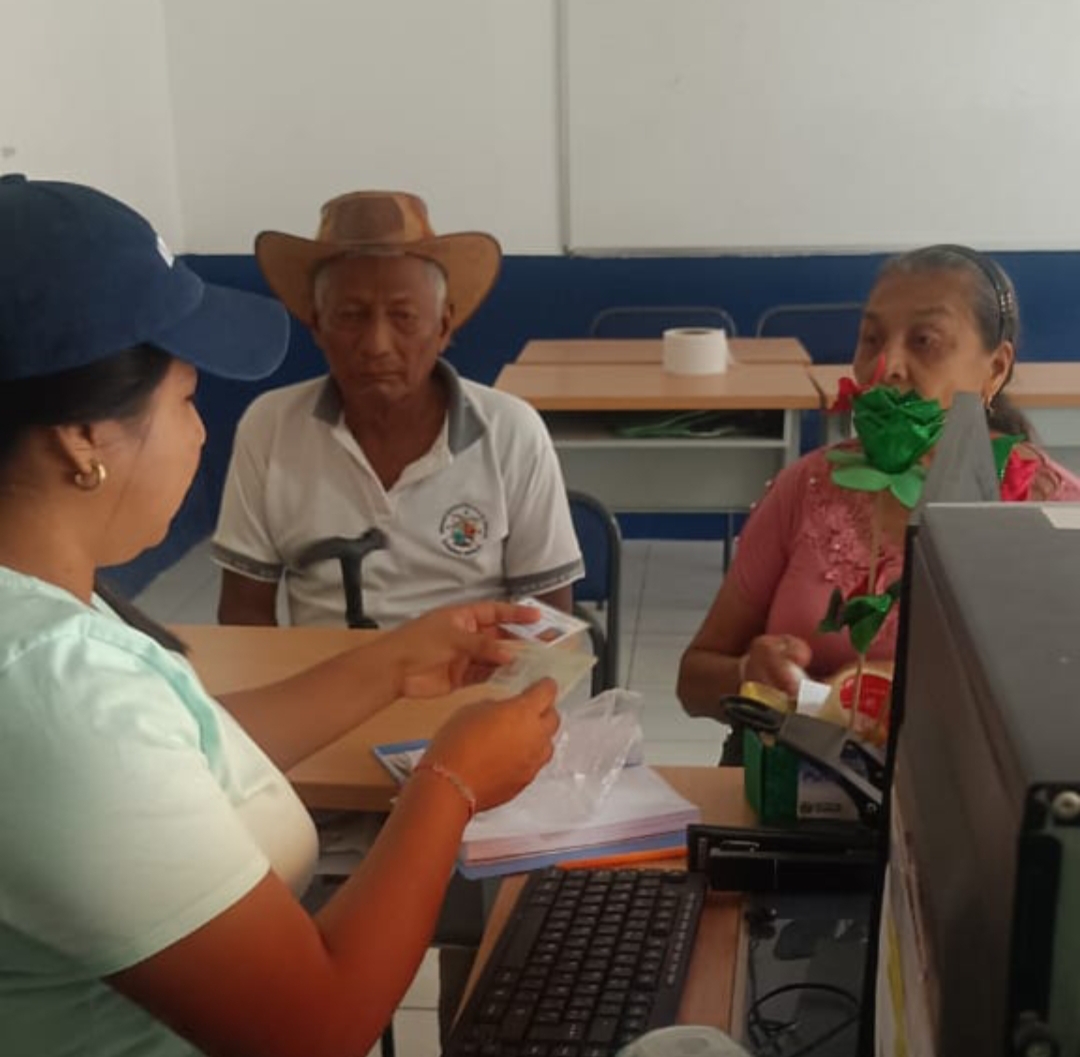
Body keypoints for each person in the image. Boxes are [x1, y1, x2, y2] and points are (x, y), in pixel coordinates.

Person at [0, 176, 559, 1057]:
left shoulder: (47, 630)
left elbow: (159, 781)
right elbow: (315, 1032)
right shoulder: (46, 692)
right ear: (81, 436)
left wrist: (391, 663)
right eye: (186, 398)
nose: (202, 428)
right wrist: (449, 783)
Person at [678, 244, 1080, 724]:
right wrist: (747, 672)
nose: (886, 366)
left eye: (925, 340)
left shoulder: (1057, 515)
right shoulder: (807, 487)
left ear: (995, 368)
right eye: (871, 339)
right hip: (796, 768)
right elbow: (693, 680)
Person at [212, 190, 584, 627]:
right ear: (317, 324)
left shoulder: (510, 431)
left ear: (444, 326)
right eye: (351, 316)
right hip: (325, 669)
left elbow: (547, 616)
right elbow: (244, 610)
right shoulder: (270, 426)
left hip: (471, 666)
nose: (376, 345)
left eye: (403, 317)